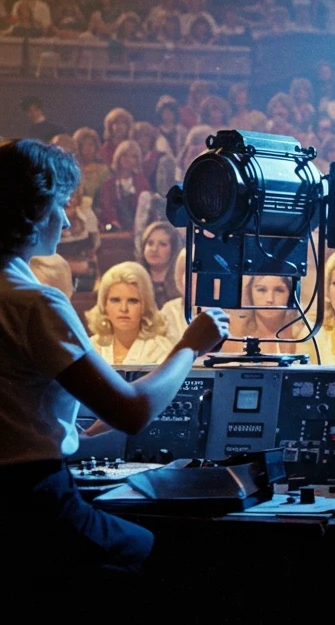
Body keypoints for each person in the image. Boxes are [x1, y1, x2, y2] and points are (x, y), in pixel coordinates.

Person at [0, 139, 229, 586]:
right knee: (181, 559)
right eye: (59, 205)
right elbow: (132, 411)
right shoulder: (34, 303)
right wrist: (190, 346)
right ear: (30, 210)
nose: (66, 219)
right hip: (35, 502)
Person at [85, 262, 174, 366]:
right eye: (115, 300)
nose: (124, 309)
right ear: (104, 305)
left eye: (133, 301)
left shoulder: (160, 350)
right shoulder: (91, 347)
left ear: (145, 306)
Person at [219, 276, 304, 356]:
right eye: (262, 290)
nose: (270, 299)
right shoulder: (231, 333)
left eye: (279, 290)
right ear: (250, 293)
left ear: (292, 295)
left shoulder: (304, 334)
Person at [136, 220, 183, 309]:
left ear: (173, 250)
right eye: (150, 243)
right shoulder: (135, 279)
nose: (154, 249)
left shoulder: (183, 284)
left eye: (162, 244)